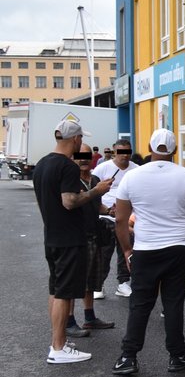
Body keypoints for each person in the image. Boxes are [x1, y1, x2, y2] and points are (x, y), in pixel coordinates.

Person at [111, 129, 185, 376]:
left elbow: (121, 219)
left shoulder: (132, 177)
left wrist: (126, 250)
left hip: (146, 248)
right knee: (174, 302)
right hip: (180, 247)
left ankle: (128, 357)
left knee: (140, 303)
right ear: (175, 150)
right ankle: (177, 356)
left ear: (149, 146)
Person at [33, 120, 113, 364]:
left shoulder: (42, 164)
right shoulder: (67, 167)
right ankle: (58, 348)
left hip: (53, 236)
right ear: (76, 139)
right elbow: (69, 201)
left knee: (56, 291)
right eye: (80, 138)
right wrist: (97, 191)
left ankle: (58, 341)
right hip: (68, 239)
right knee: (64, 294)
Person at [73, 143, 115, 332]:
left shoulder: (95, 179)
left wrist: (109, 211)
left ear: (92, 158)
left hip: (94, 234)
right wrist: (96, 191)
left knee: (91, 280)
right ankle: (69, 321)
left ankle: (90, 317)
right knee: (75, 281)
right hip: (77, 238)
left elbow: (96, 204)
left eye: (87, 155)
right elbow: (72, 203)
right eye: (79, 155)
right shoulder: (70, 180)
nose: (83, 159)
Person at [92, 139, 136, 298]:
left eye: (128, 152)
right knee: (104, 253)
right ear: (114, 151)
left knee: (126, 251)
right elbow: (93, 190)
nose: (124, 156)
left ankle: (123, 283)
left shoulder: (136, 170)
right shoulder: (101, 169)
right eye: (121, 152)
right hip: (105, 217)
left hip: (127, 218)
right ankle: (98, 285)